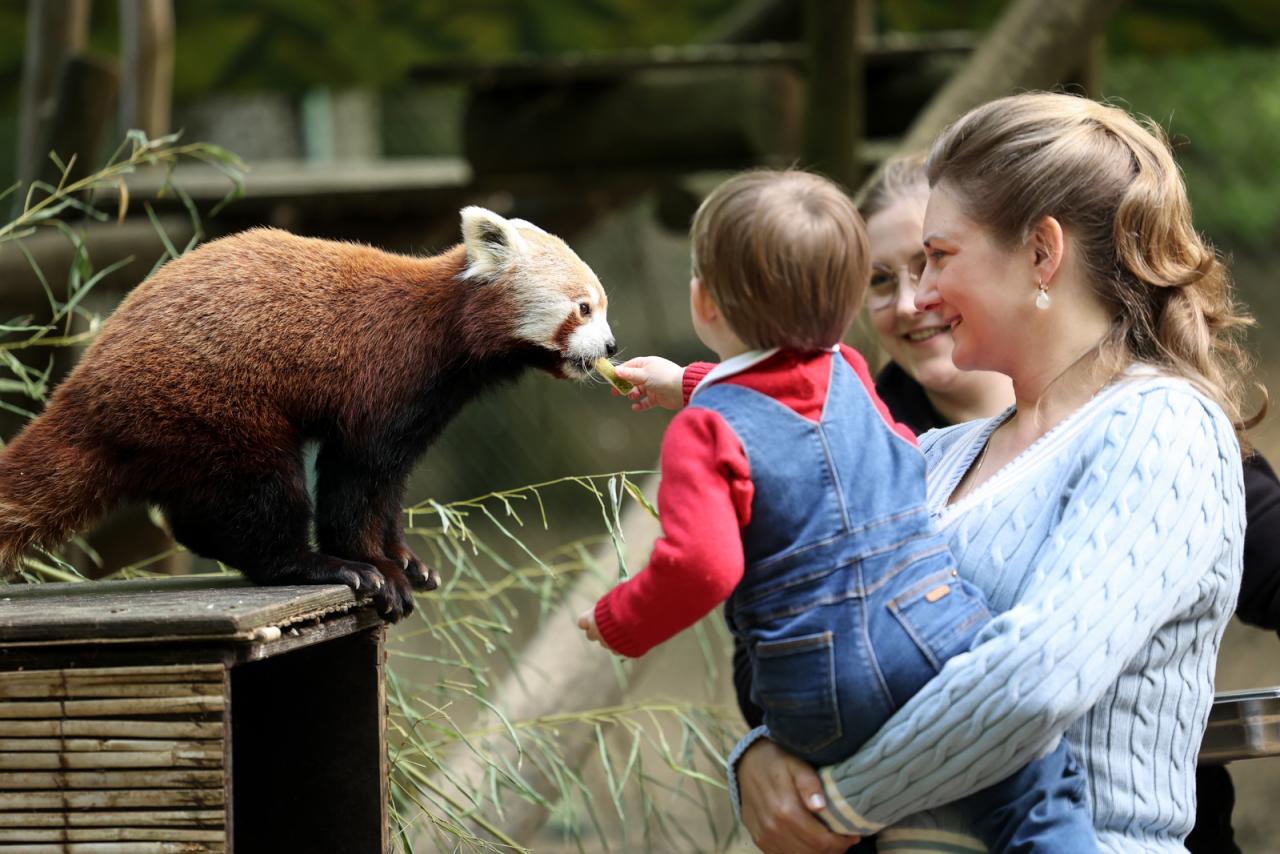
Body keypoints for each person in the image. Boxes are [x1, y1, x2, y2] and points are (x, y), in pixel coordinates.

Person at [710, 92, 1252, 853]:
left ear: (1041, 252)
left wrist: (836, 804)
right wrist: (765, 755)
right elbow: (831, 640)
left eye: (939, 257)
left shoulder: (1161, 426)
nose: (918, 296)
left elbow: (1035, 682)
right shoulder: (935, 455)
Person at [577, 167, 1098, 852]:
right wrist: (685, 384)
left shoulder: (704, 432)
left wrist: (621, 619)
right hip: (929, 639)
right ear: (850, 299)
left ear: (704, 303)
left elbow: (702, 564)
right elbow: (838, 413)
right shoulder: (853, 371)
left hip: (810, 697)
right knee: (1033, 783)